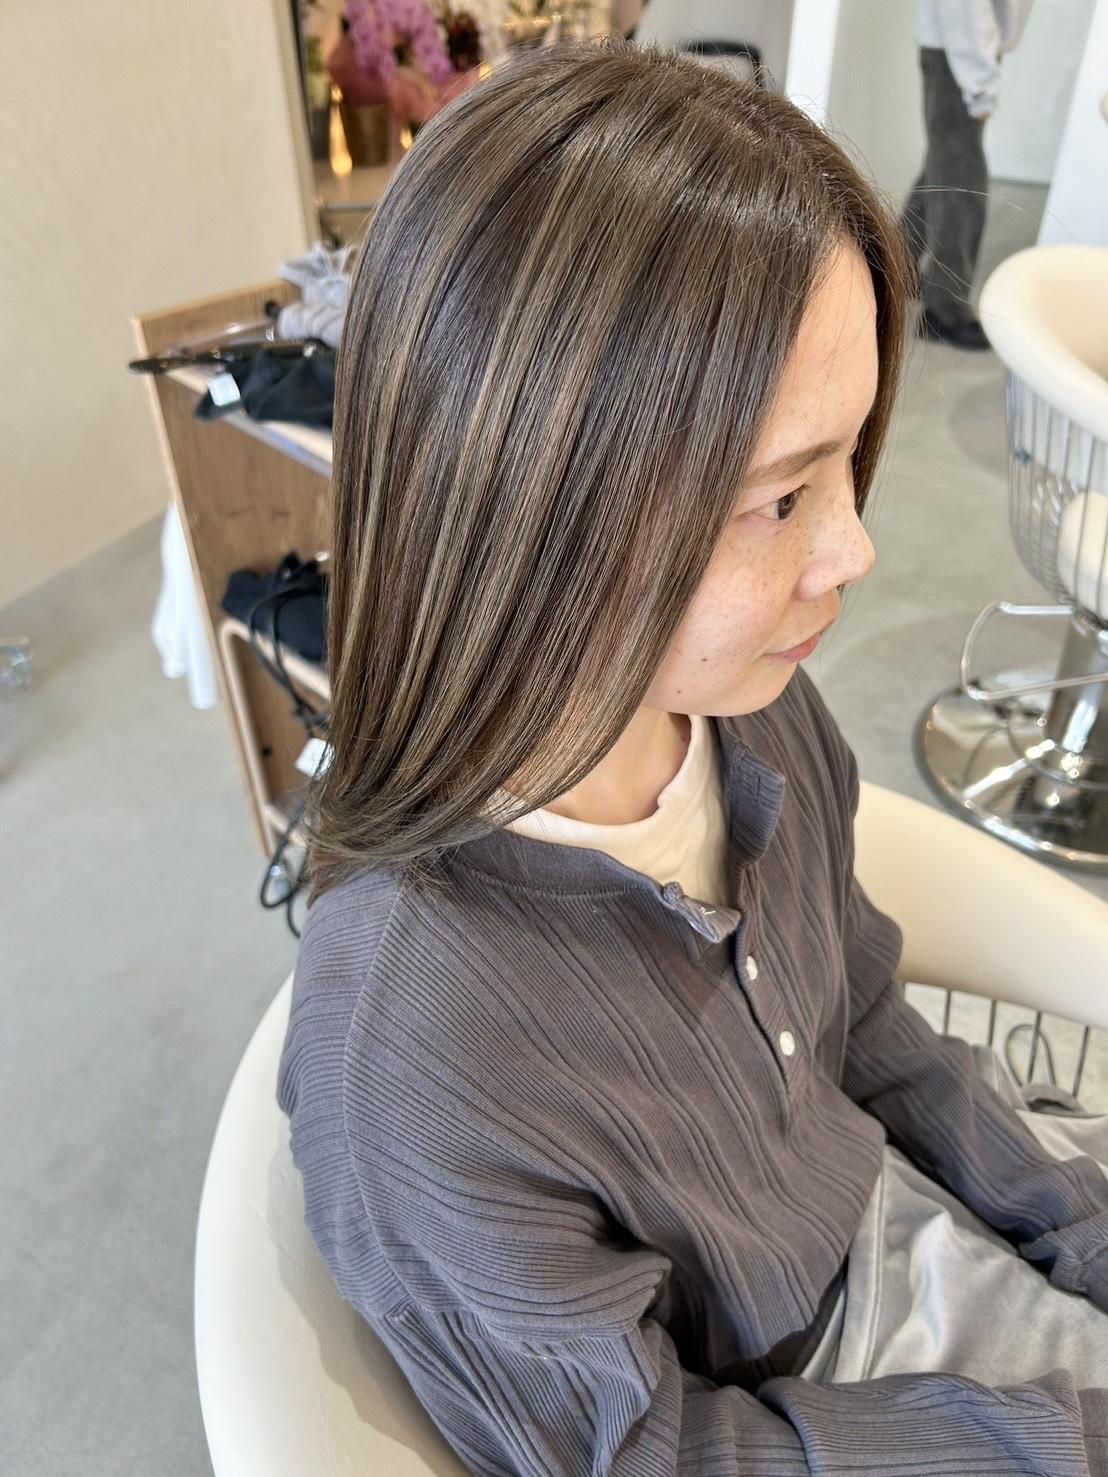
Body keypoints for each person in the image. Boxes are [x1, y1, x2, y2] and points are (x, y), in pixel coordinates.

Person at [277, 40, 1108, 1475]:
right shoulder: (418, 1062)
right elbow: (656, 1453)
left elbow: (863, 1019)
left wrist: (1075, 1226)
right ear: (529, 505)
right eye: (779, 497)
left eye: (848, 462)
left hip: (900, 1215)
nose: (854, 550)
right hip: (822, 1398)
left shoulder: (750, 711)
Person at [902, 0, 1033, 350]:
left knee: (943, 169)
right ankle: (943, 311)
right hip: (961, 52)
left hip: (962, 50)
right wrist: (980, 84)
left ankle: (894, 267)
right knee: (962, 186)